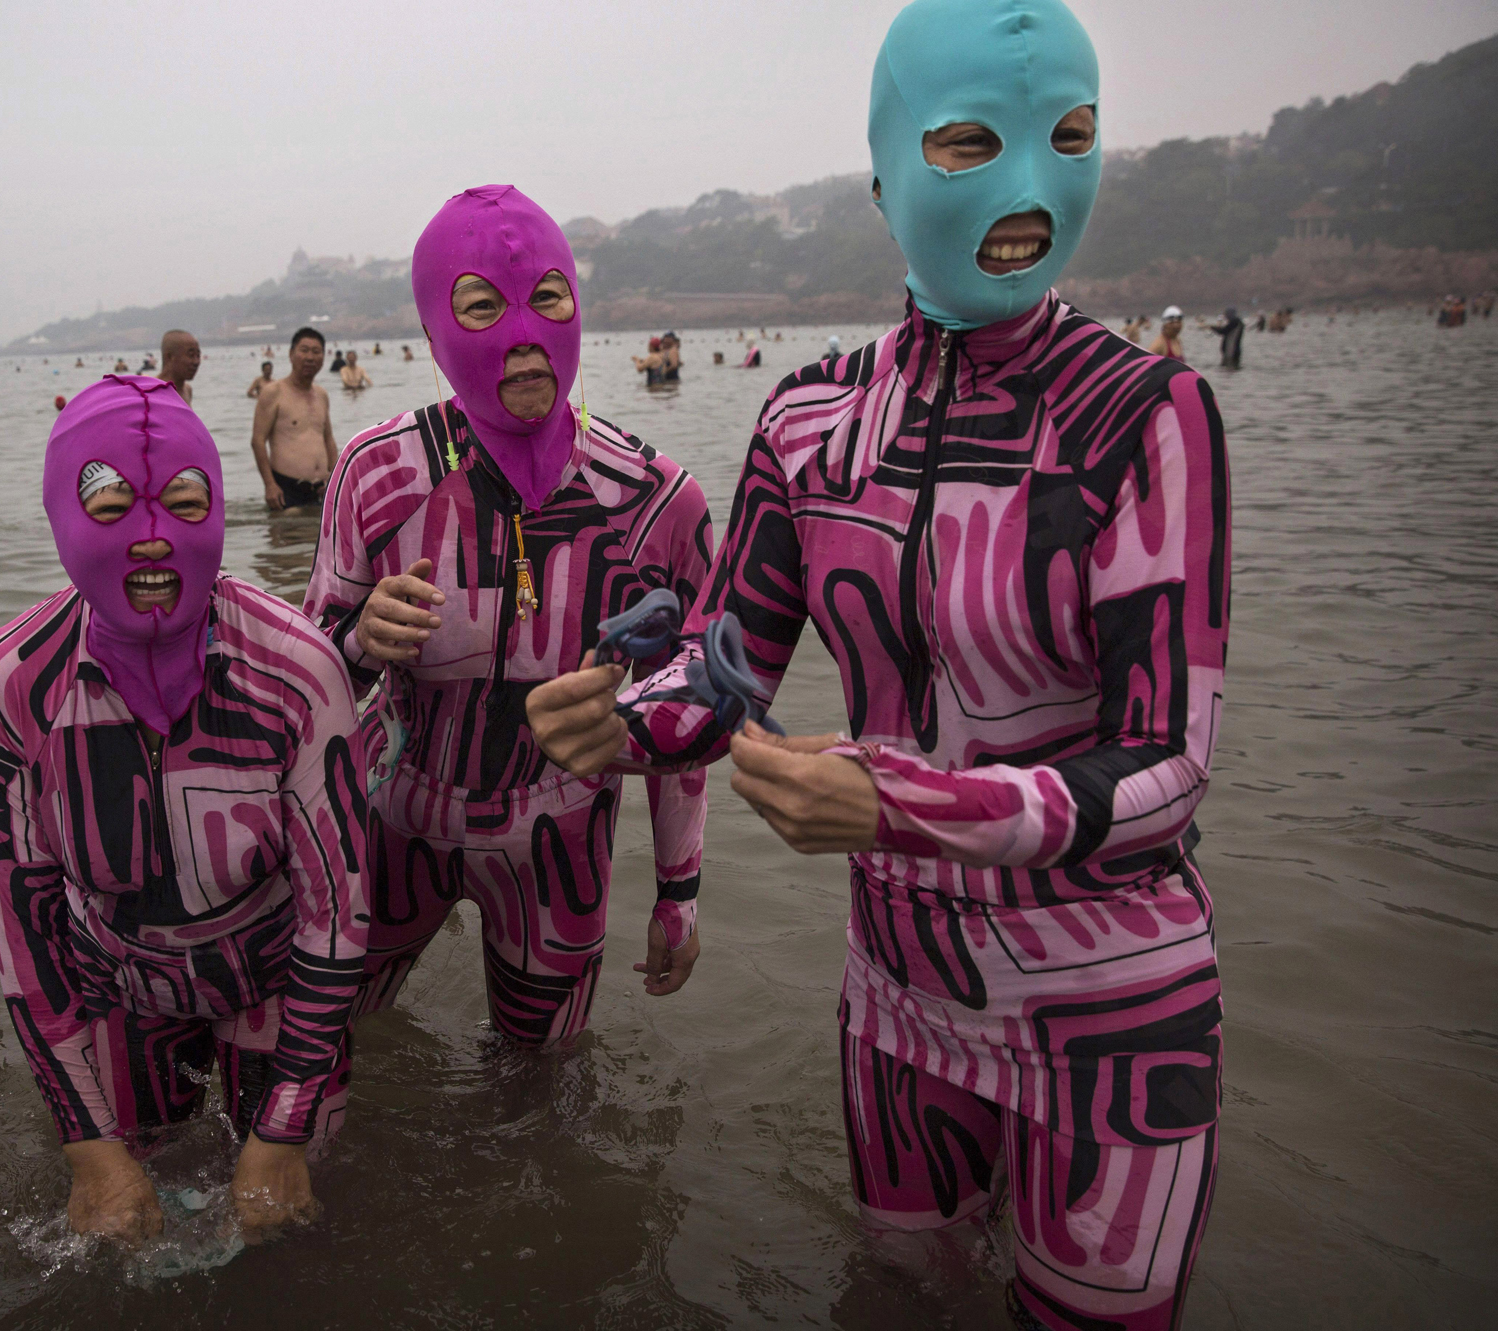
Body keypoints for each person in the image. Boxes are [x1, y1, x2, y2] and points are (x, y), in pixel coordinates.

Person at [526, 4, 1228, 1327]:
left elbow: (1173, 762)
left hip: (1112, 1020)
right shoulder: (811, 422)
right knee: (890, 1296)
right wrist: (619, 718)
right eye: (973, 144)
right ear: (886, 175)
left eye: (1071, 138)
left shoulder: (1147, 415)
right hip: (898, 1006)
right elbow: (727, 671)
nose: (1031, 187)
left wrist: (904, 801)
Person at [302, 184, 712, 1047]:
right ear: (432, 334)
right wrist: (361, 638)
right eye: (482, 307)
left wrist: (679, 890)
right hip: (396, 811)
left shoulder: (654, 500)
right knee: (340, 1044)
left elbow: (690, 711)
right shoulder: (378, 474)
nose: (523, 336)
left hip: (558, 830)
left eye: (548, 300)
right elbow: (305, 686)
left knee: (542, 1088)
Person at [0, 374, 367, 1245]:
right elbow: (22, 940)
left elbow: (338, 914)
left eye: (187, 503)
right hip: (116, 979)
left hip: (271, 979)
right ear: (62, 520)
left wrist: (280, 1130)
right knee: (116, 1218)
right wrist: (90, 1147)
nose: (153, 540)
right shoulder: (11, 691)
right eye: (110, 508)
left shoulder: (300, 670)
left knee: (294, 1217)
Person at [250, 327, 337, 512]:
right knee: (286, 537)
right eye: (304, 350)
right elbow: (258, 441)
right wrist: (269, 485)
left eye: (316, 351)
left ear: (323, 357)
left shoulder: (322, 394)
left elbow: (328, 438)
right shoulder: (274, 392)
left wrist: (336, 477)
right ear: (291, 354)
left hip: (321, 489)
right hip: (286, 488)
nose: (310, 357)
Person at [158, 329, 201, 403]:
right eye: (190, 355)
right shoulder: (152, 389)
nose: (196, 362)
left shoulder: (187, 390)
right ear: (169, 357)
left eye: (198, 355)